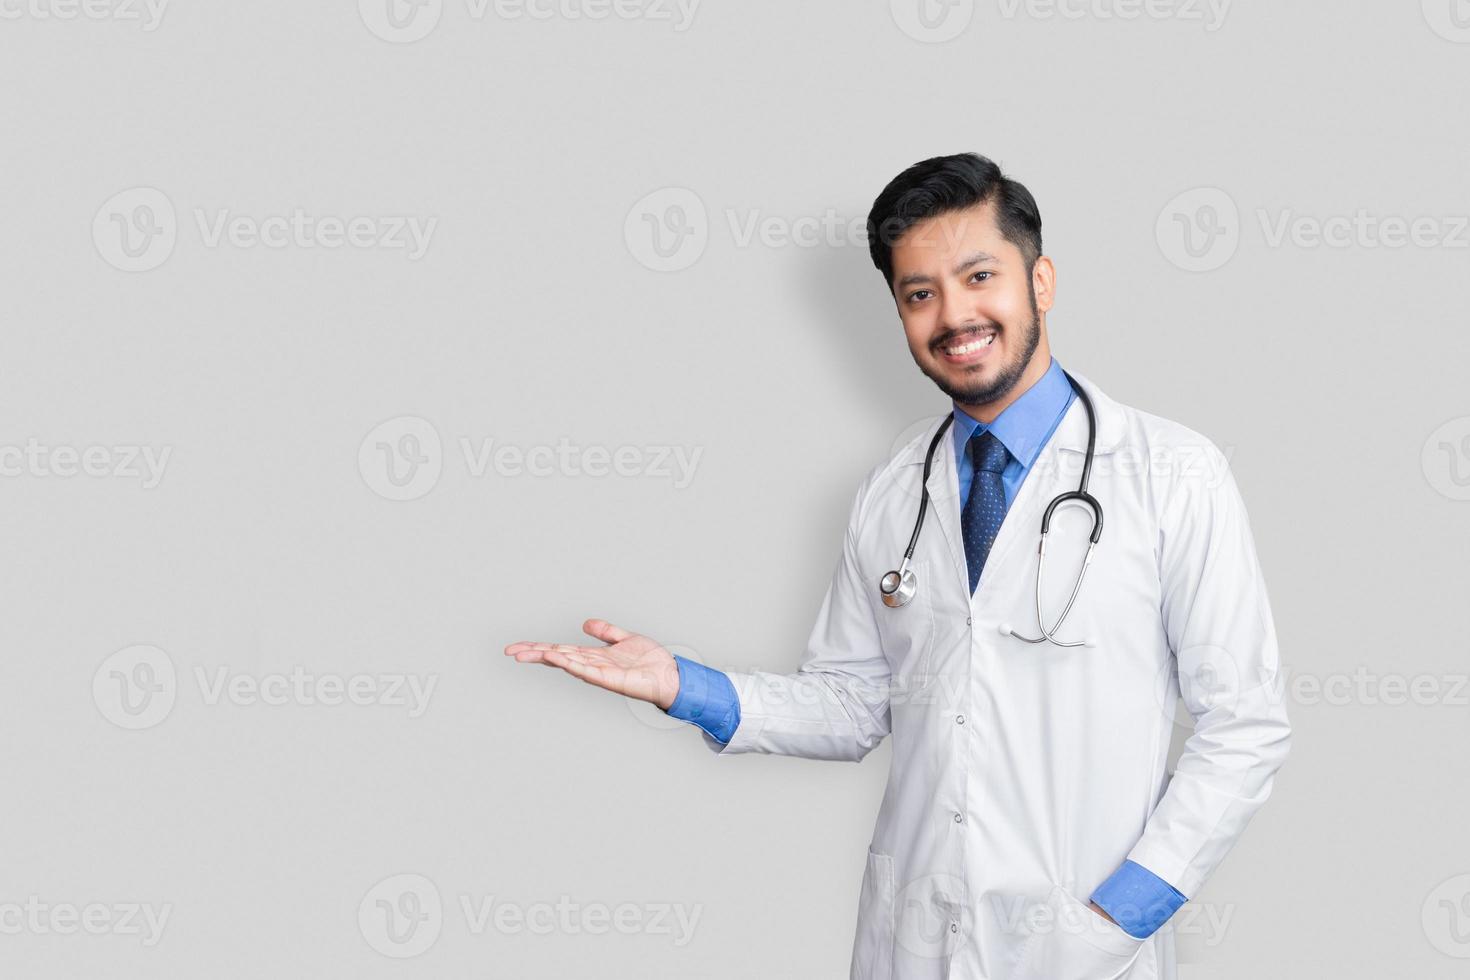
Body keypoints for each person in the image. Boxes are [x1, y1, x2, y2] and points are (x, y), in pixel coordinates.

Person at [505, 152, 1292, 980]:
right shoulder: (893, 486)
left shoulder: (1172, 472)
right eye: (920, 294)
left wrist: (1118, 914)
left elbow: (1245, 726)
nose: (954, 315)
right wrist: (686, 687)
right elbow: (852, 706)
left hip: (1084, 946)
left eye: (979, 275)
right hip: (912, 942)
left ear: (1042, 281)